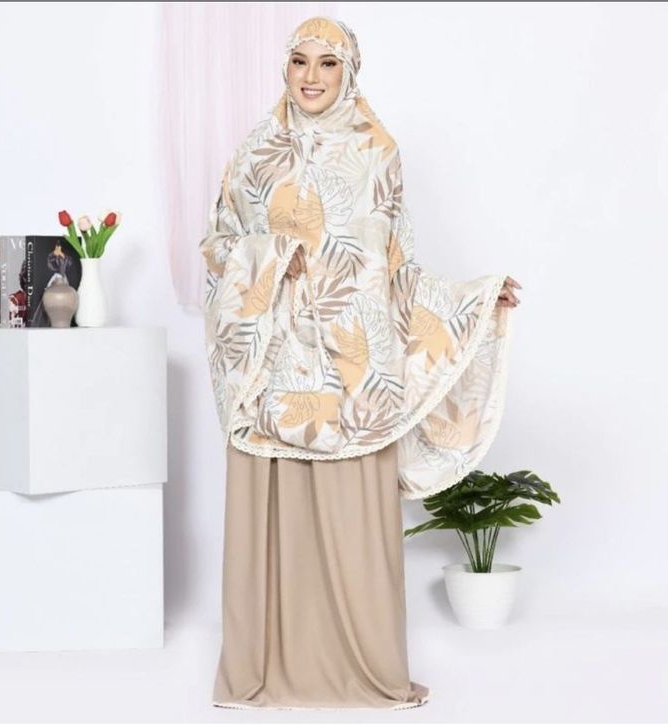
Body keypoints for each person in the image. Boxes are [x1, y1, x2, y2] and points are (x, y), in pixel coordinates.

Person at [199, 16, 522, 710]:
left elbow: (396, 267)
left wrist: (472, 301)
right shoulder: (254, 153)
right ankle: (261, 670)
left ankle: (368, 669)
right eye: (300, 61)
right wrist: (273, 259)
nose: (312, 76)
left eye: (328, 63)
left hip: (351, 371)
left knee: (353, 521)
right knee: (272, 515)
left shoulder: (378, 151)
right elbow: (218, 247)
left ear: (350, 72)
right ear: (284, 68)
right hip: (272, 365)